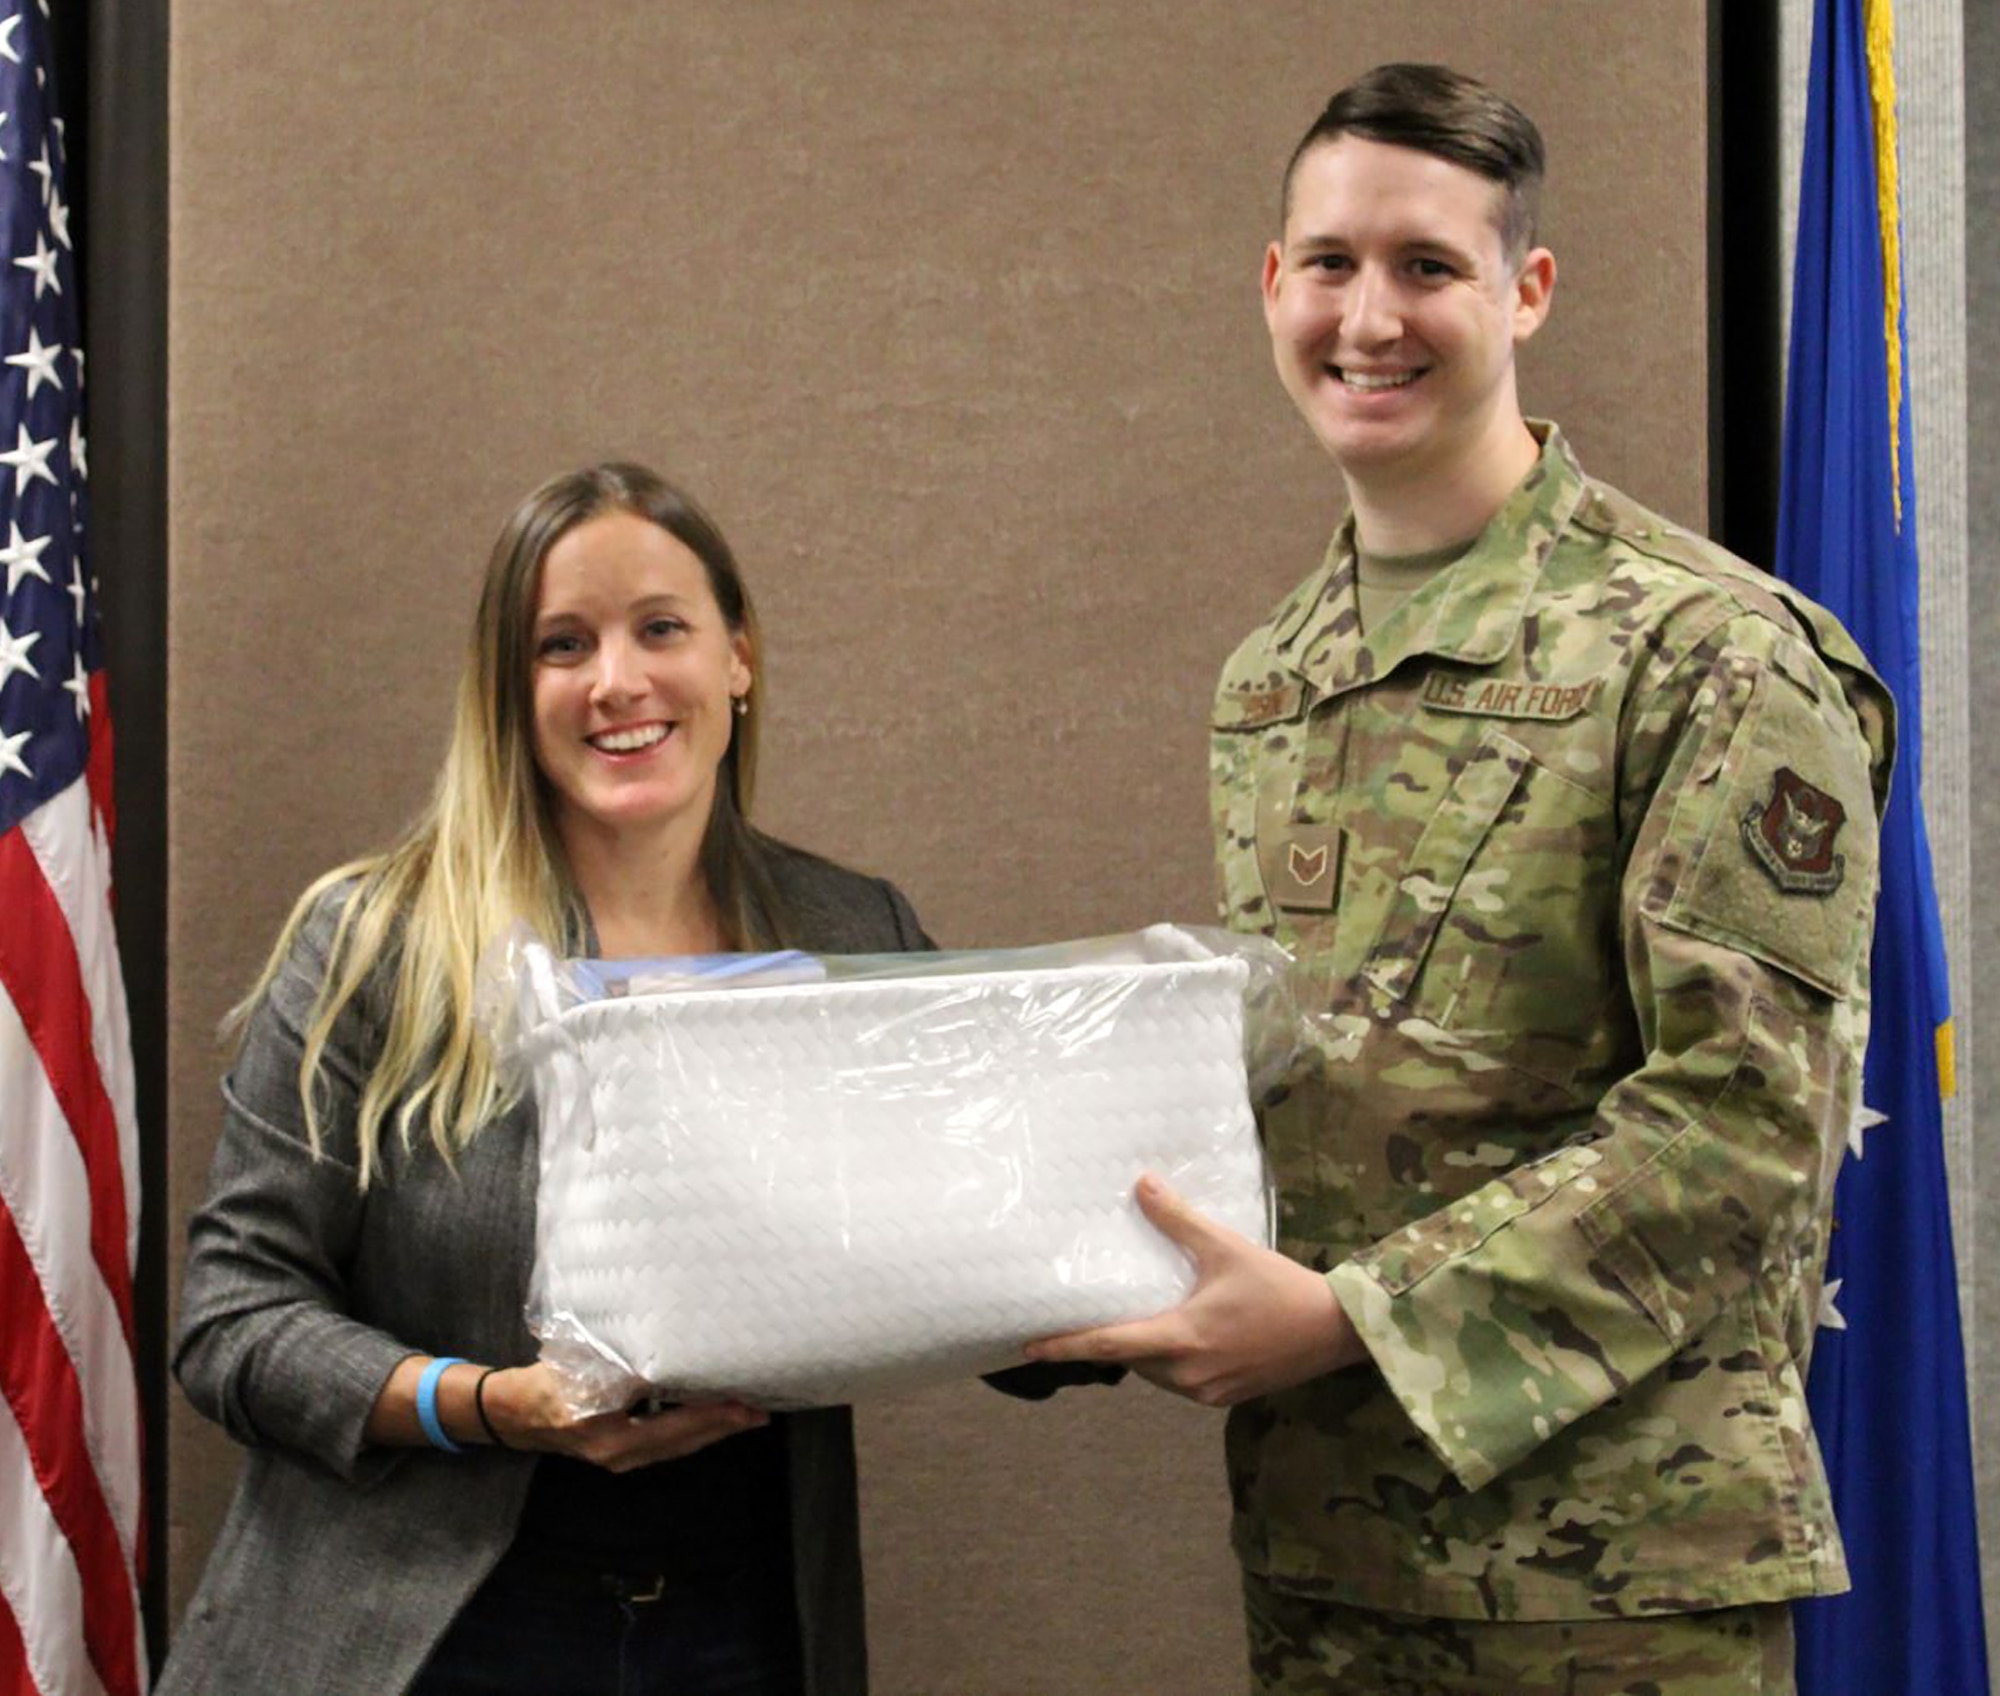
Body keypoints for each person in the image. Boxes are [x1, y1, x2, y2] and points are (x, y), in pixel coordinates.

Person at [1029, 63, 1891, 1695]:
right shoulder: (1272, 677)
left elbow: (1743, 1121)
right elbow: (1314, 1092)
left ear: (1526, 289)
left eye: (1428, 265)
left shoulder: (1706, 652)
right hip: (1328, 1550)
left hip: (1617, 1573)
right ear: (1272, 286)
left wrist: (1351, 1314)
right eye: (1334, 262)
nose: (1373, 314)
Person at [162, 463, 935, 1695]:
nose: (617, 681)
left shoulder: (855, 930)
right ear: (508, 694)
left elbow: (962, 1230)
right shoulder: (376, 942)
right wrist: (484, 1403)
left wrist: (1114, 1279)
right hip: (422, 1640)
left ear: (738, 656)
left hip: (739, 1633)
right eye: (560, 644)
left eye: (661, 628)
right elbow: (229, 1320)